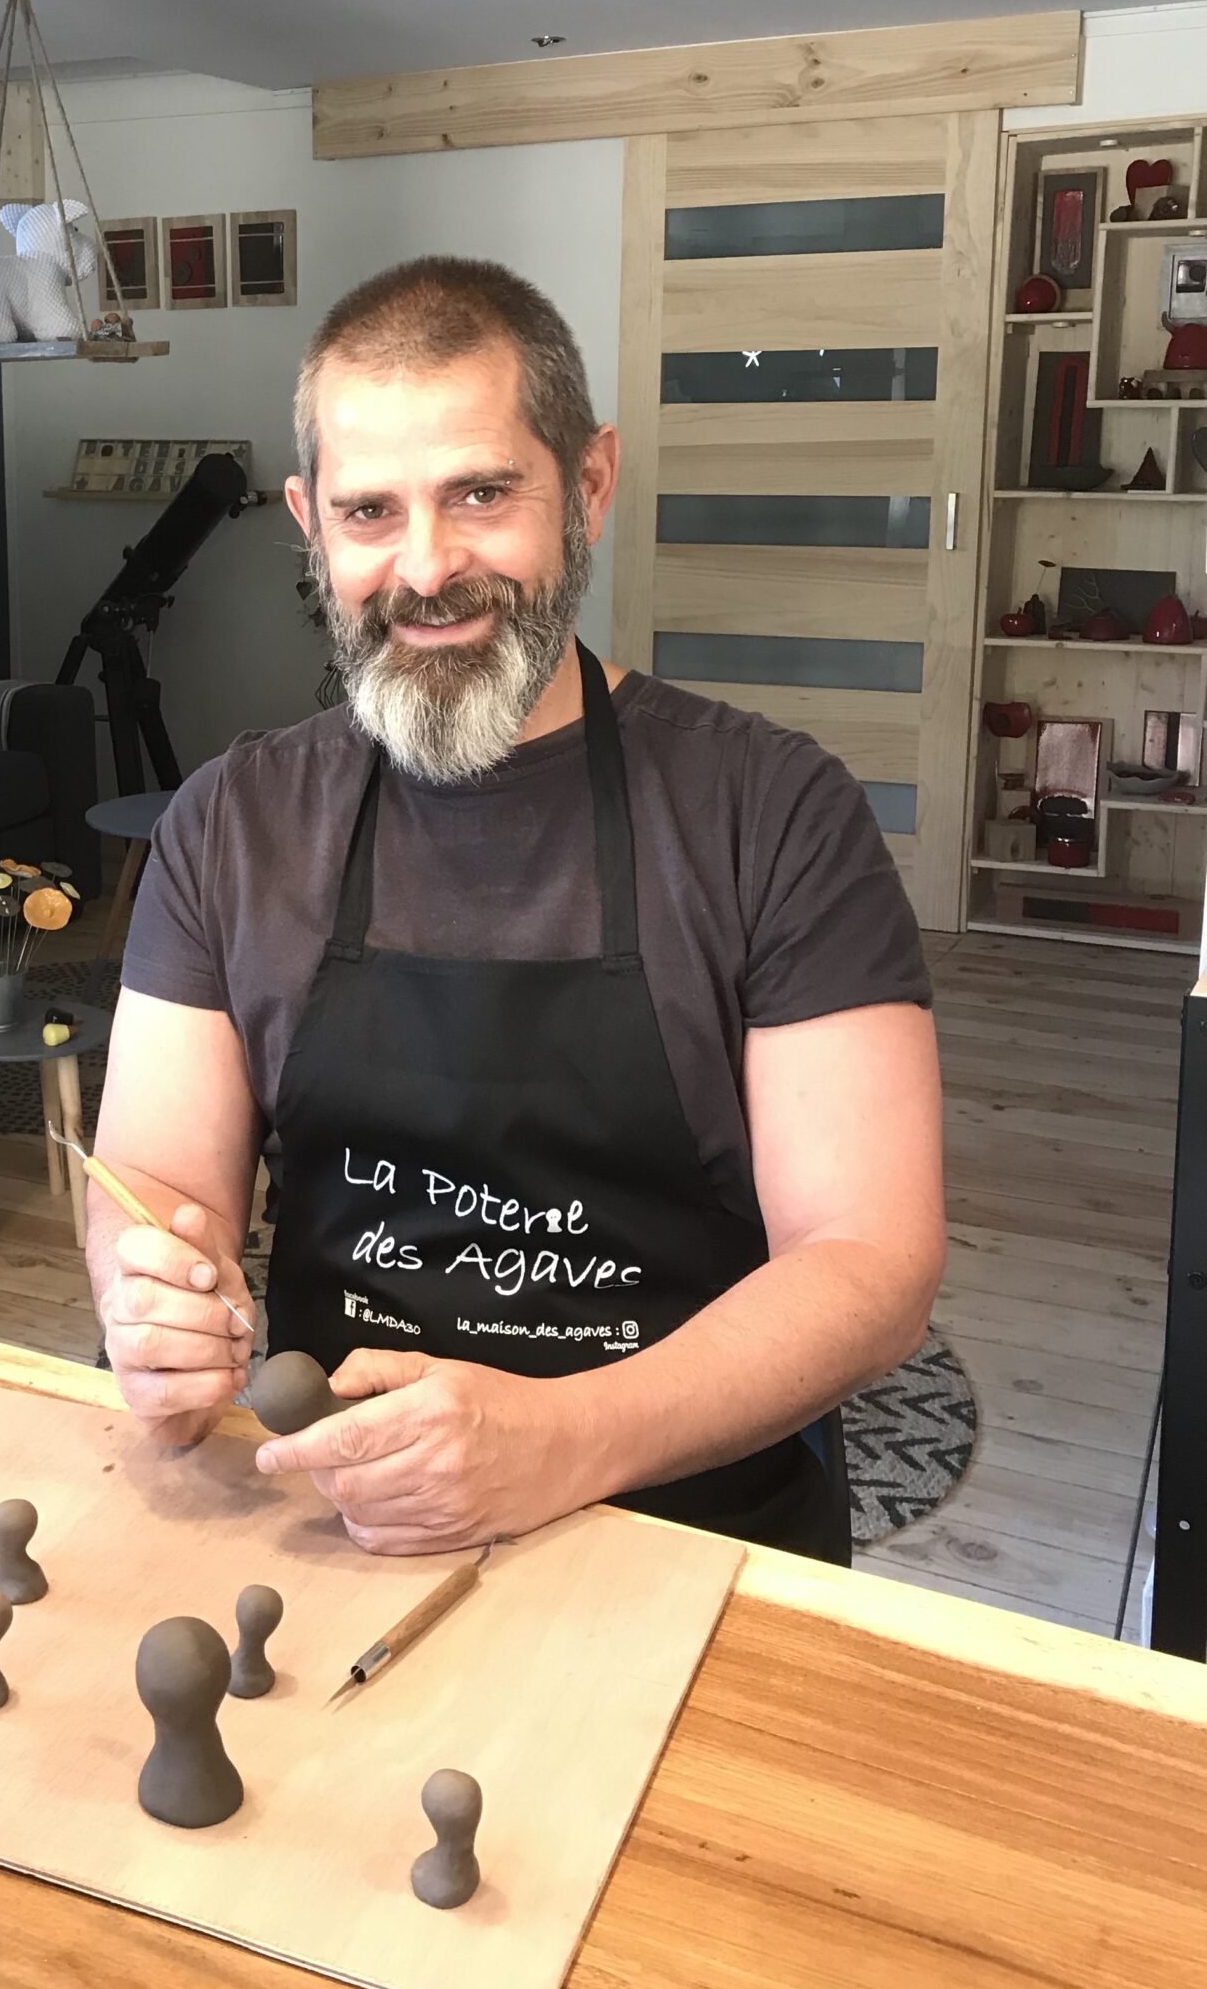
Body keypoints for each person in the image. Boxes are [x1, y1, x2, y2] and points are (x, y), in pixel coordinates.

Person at [83, 256, 944, 1563]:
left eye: (480, 494)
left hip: (691, 1534)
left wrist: (564, 1438)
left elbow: (871, 1262)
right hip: (339, 1519)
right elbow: (150, 1180)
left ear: (587, 484)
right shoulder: (229, 827)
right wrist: (143, 1291)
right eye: (370, 512)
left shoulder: (773, 814)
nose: (427, 568)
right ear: (311, 524)